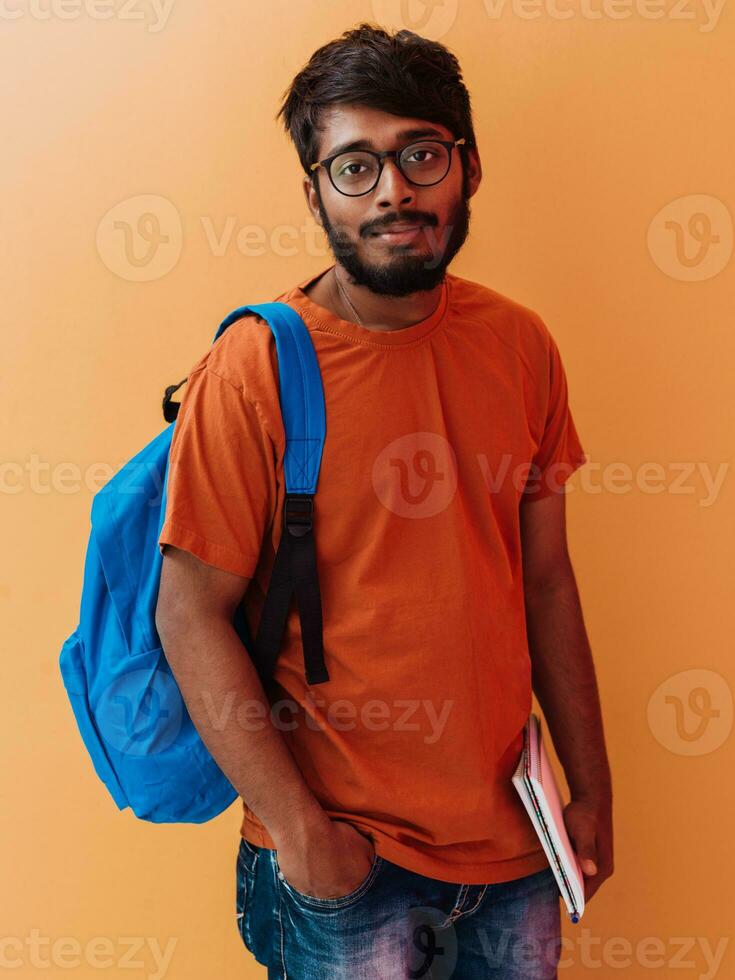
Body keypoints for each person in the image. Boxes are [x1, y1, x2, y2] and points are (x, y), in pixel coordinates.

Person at [155, 22, 613, 980]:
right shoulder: (256, 369)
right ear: (315, 190)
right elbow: (188, 610)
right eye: (354, 167)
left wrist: (592, 787)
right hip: (345, 857)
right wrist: (300, 833)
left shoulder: (520, 345)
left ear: (468, 169)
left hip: (516, 849)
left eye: (419, 155)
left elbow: (548, 581)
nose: (393, 191)